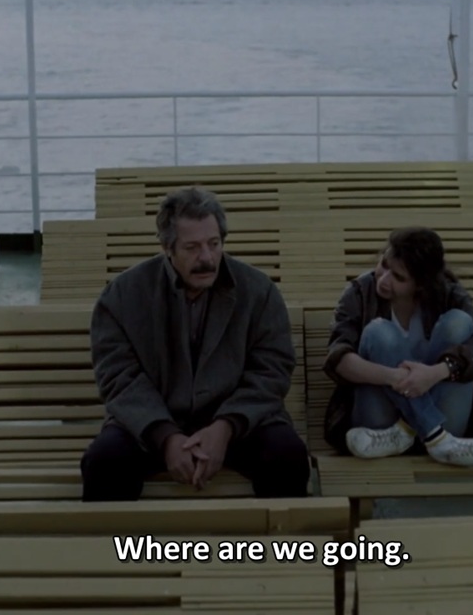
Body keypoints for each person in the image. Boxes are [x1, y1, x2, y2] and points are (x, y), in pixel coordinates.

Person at [80, 186, 310, 500]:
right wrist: (166, 437)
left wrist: (225, 427)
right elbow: (118, 376)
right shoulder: (123, 295)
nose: (207, 258)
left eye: (214, 244)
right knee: (104, 462)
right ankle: (113, 536)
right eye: (192, 247)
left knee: (287, 456)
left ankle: (281, 535)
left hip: (239, 422)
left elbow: (272, 370)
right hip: (150, 424)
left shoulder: (259, 291)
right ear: (167, 248)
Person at [322, 227, 473, 467]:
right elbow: (339, 359)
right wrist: (397, 378)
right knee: (378, 332)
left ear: (421, 284)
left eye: (399, 278)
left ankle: (410, 430)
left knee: (459, 322)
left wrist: (433, 374)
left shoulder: (448, 294)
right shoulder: (360, 293)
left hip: (447, 419)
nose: (383, 279)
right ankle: (436, 438)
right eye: (384, 265)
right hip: (379, 427)